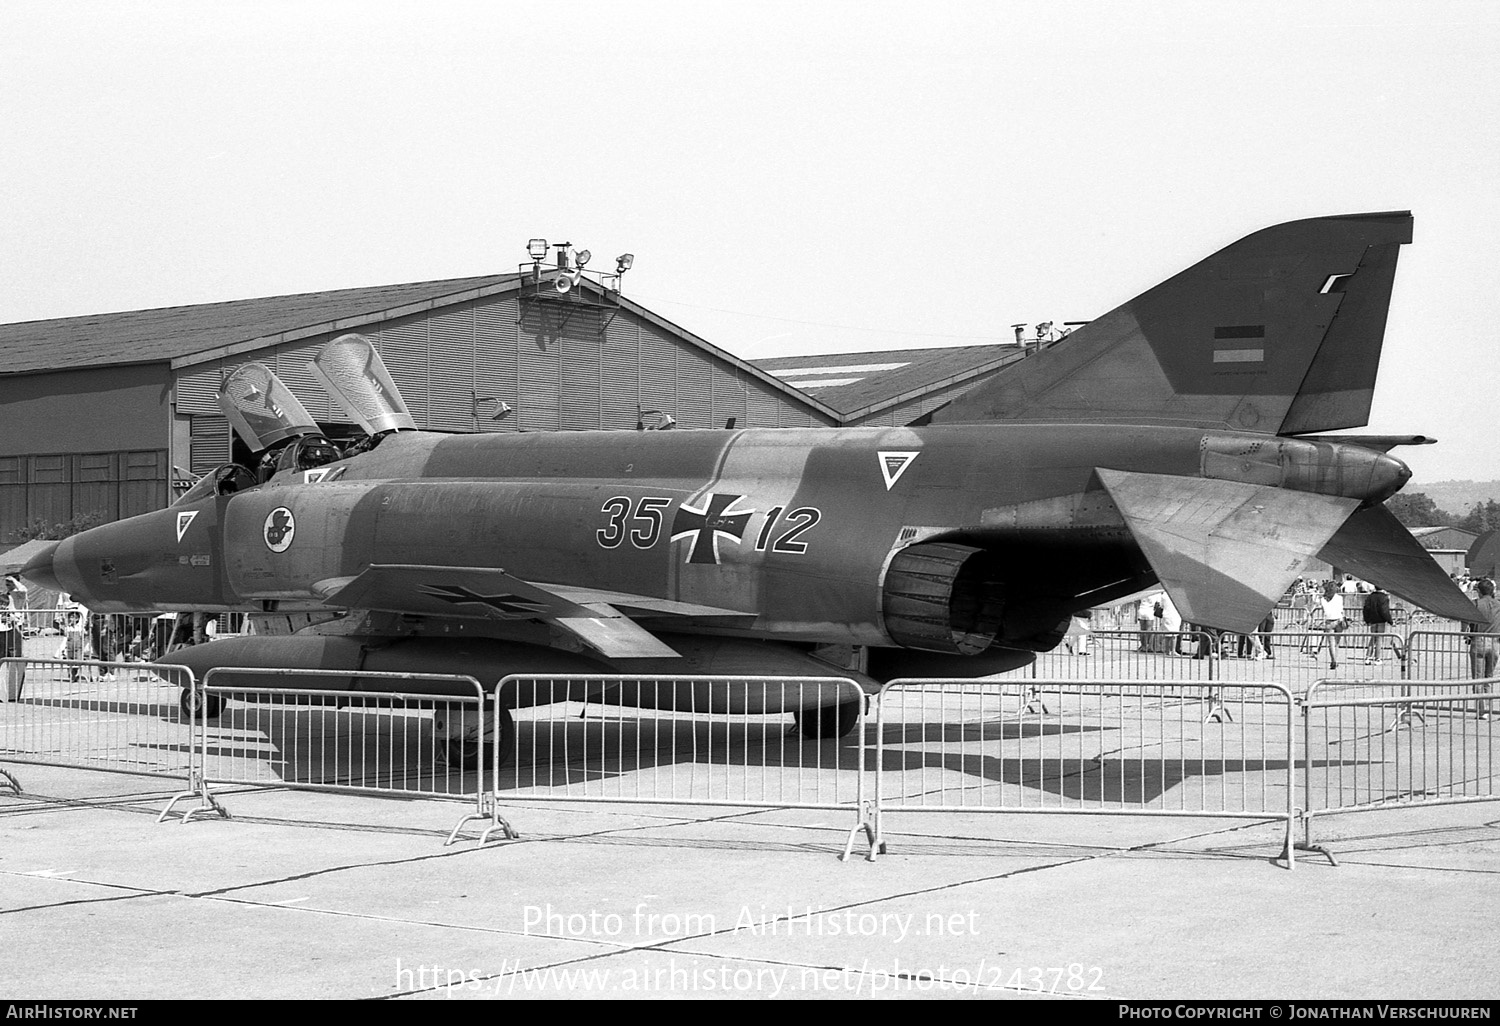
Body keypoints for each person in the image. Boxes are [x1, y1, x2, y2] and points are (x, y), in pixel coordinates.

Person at [1464, 579, 1500, 717]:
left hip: (1479, 640)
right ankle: (1490, 708)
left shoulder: (1476, 603)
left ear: (1479, 591)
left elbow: (1465, 618)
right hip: (1495, 642)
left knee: (1478, 677)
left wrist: (1466, 633)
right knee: (1489, 677)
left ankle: (1481, 711)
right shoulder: (1498, 605)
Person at [1362, 585, 1404, 666]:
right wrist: (1390, 621)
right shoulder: (1384, 597)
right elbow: (1384, 611)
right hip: (1381, 620)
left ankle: (1367, 657)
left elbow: (1366, 608)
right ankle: (1377, 658)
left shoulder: (1370, 596)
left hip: (1372, 620)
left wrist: (1367, 620)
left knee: (1373, 638)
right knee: (1379, 639)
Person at [1311, 579, 1347, 670]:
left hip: (1328, 621)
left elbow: (1315, 602)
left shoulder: (1323, 599)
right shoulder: (1339, 598)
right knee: (1337, 643)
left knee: (1331, 643)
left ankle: (1333, 660)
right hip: (1338, 620)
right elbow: (1341, 610)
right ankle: (1335, 659)